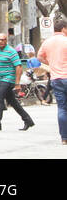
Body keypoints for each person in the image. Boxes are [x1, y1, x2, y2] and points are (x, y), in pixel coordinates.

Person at [0, 33, 35, 131]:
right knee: (13, 102)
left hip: (8, 79)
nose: (1, 41)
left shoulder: (11, 52)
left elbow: (18, 67)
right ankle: (28, 120)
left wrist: (17, 82)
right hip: (0, 80)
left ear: (6, 40)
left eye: (3, 40)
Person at [37, 15, 67, 146]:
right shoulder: (66, 40)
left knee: (62, 108)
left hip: (56, 79)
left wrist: (50, 62)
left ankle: (64, 138)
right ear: (64, 29)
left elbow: (39, 56)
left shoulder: (47, 42)